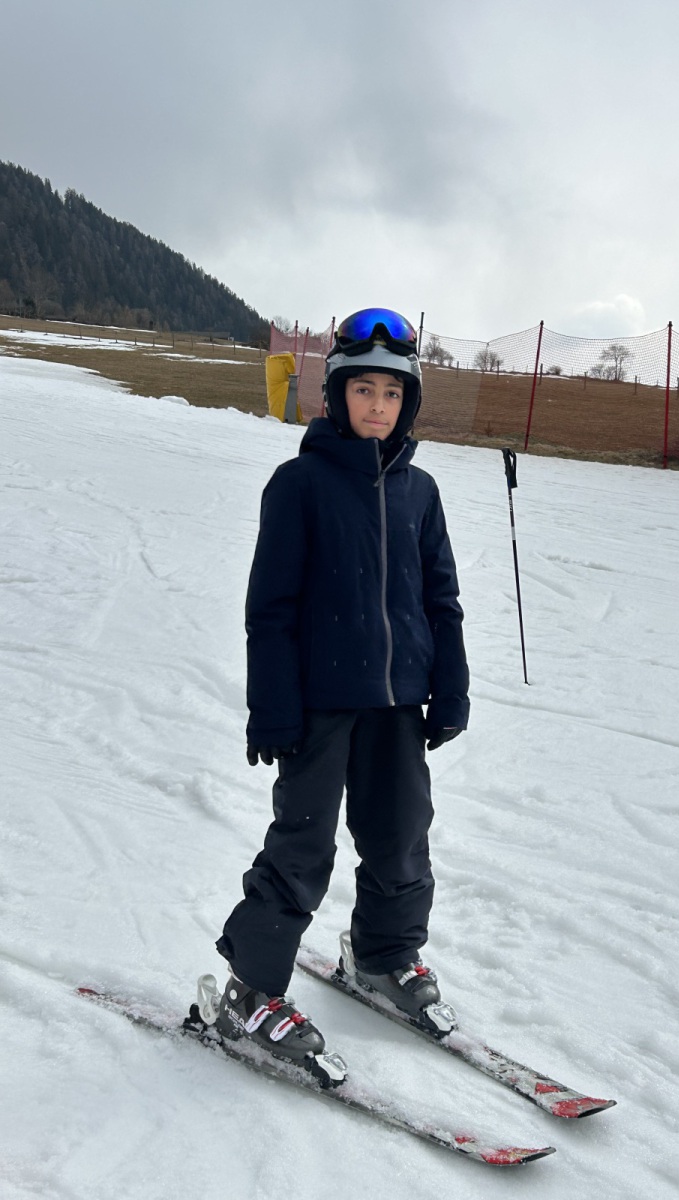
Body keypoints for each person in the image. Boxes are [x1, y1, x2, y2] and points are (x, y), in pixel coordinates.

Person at [214, 308, 469, 1084]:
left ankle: (383, 956)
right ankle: (250, 991)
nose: (378, 406)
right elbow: (271, 608)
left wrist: (450, 685)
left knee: (401, 835)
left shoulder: (420, 493)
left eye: (392, 393)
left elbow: (441, 600)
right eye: (364, 390)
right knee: (303, 846)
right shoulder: (300, 484)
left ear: (407, 403)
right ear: (336, 396)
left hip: (399, 703)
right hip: (320, 704)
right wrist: (272, 707)